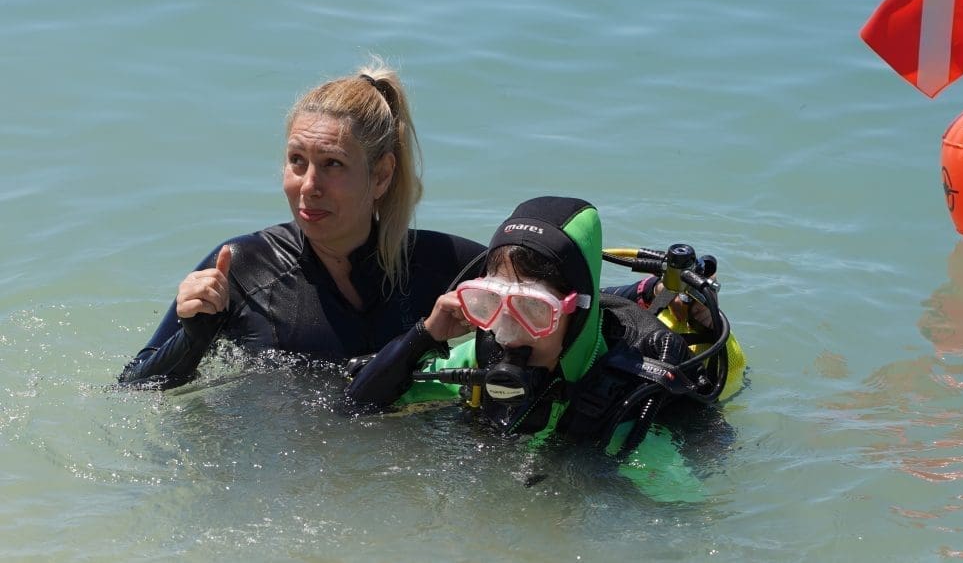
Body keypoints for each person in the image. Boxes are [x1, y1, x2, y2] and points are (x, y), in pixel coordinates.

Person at [119, 60, 485, 389]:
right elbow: (133, 386)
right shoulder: (243, 269)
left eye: (332, 164)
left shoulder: (440, 266)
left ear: (381, 175)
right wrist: (192, 337)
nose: (309, 185)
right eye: (297, 160)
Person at [344, 196, 738, 499]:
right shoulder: (484, 353)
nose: (508, 333)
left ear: (575, 312)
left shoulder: (628, 403)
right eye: (490, 303)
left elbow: (688, 511)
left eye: (533, 310)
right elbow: (358, 405)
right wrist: (425, 335)